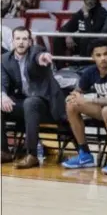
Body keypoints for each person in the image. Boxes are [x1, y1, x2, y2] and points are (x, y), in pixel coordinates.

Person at [62, 39, 107, 176]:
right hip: (105, 111)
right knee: (72, 105)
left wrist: (90, 99)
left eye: (106, 54)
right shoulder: (90, 72)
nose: (103, 58)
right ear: (93, 57)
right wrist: (73, 96)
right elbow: (77, 92)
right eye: (99, 55)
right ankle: (85, 154)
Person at [1, 26, 66, 168]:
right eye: (17, 39)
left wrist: (42, 57)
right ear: (12, 42)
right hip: (25, 105)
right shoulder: (5, 60)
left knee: (30, 102)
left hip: (46, 104)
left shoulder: (35, 52)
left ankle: (32, 155)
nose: (21, 42)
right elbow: (3, 82)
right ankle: (4, 151)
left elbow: (39, 55)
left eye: (24, 39)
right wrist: (3, 95)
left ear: (30, 42)